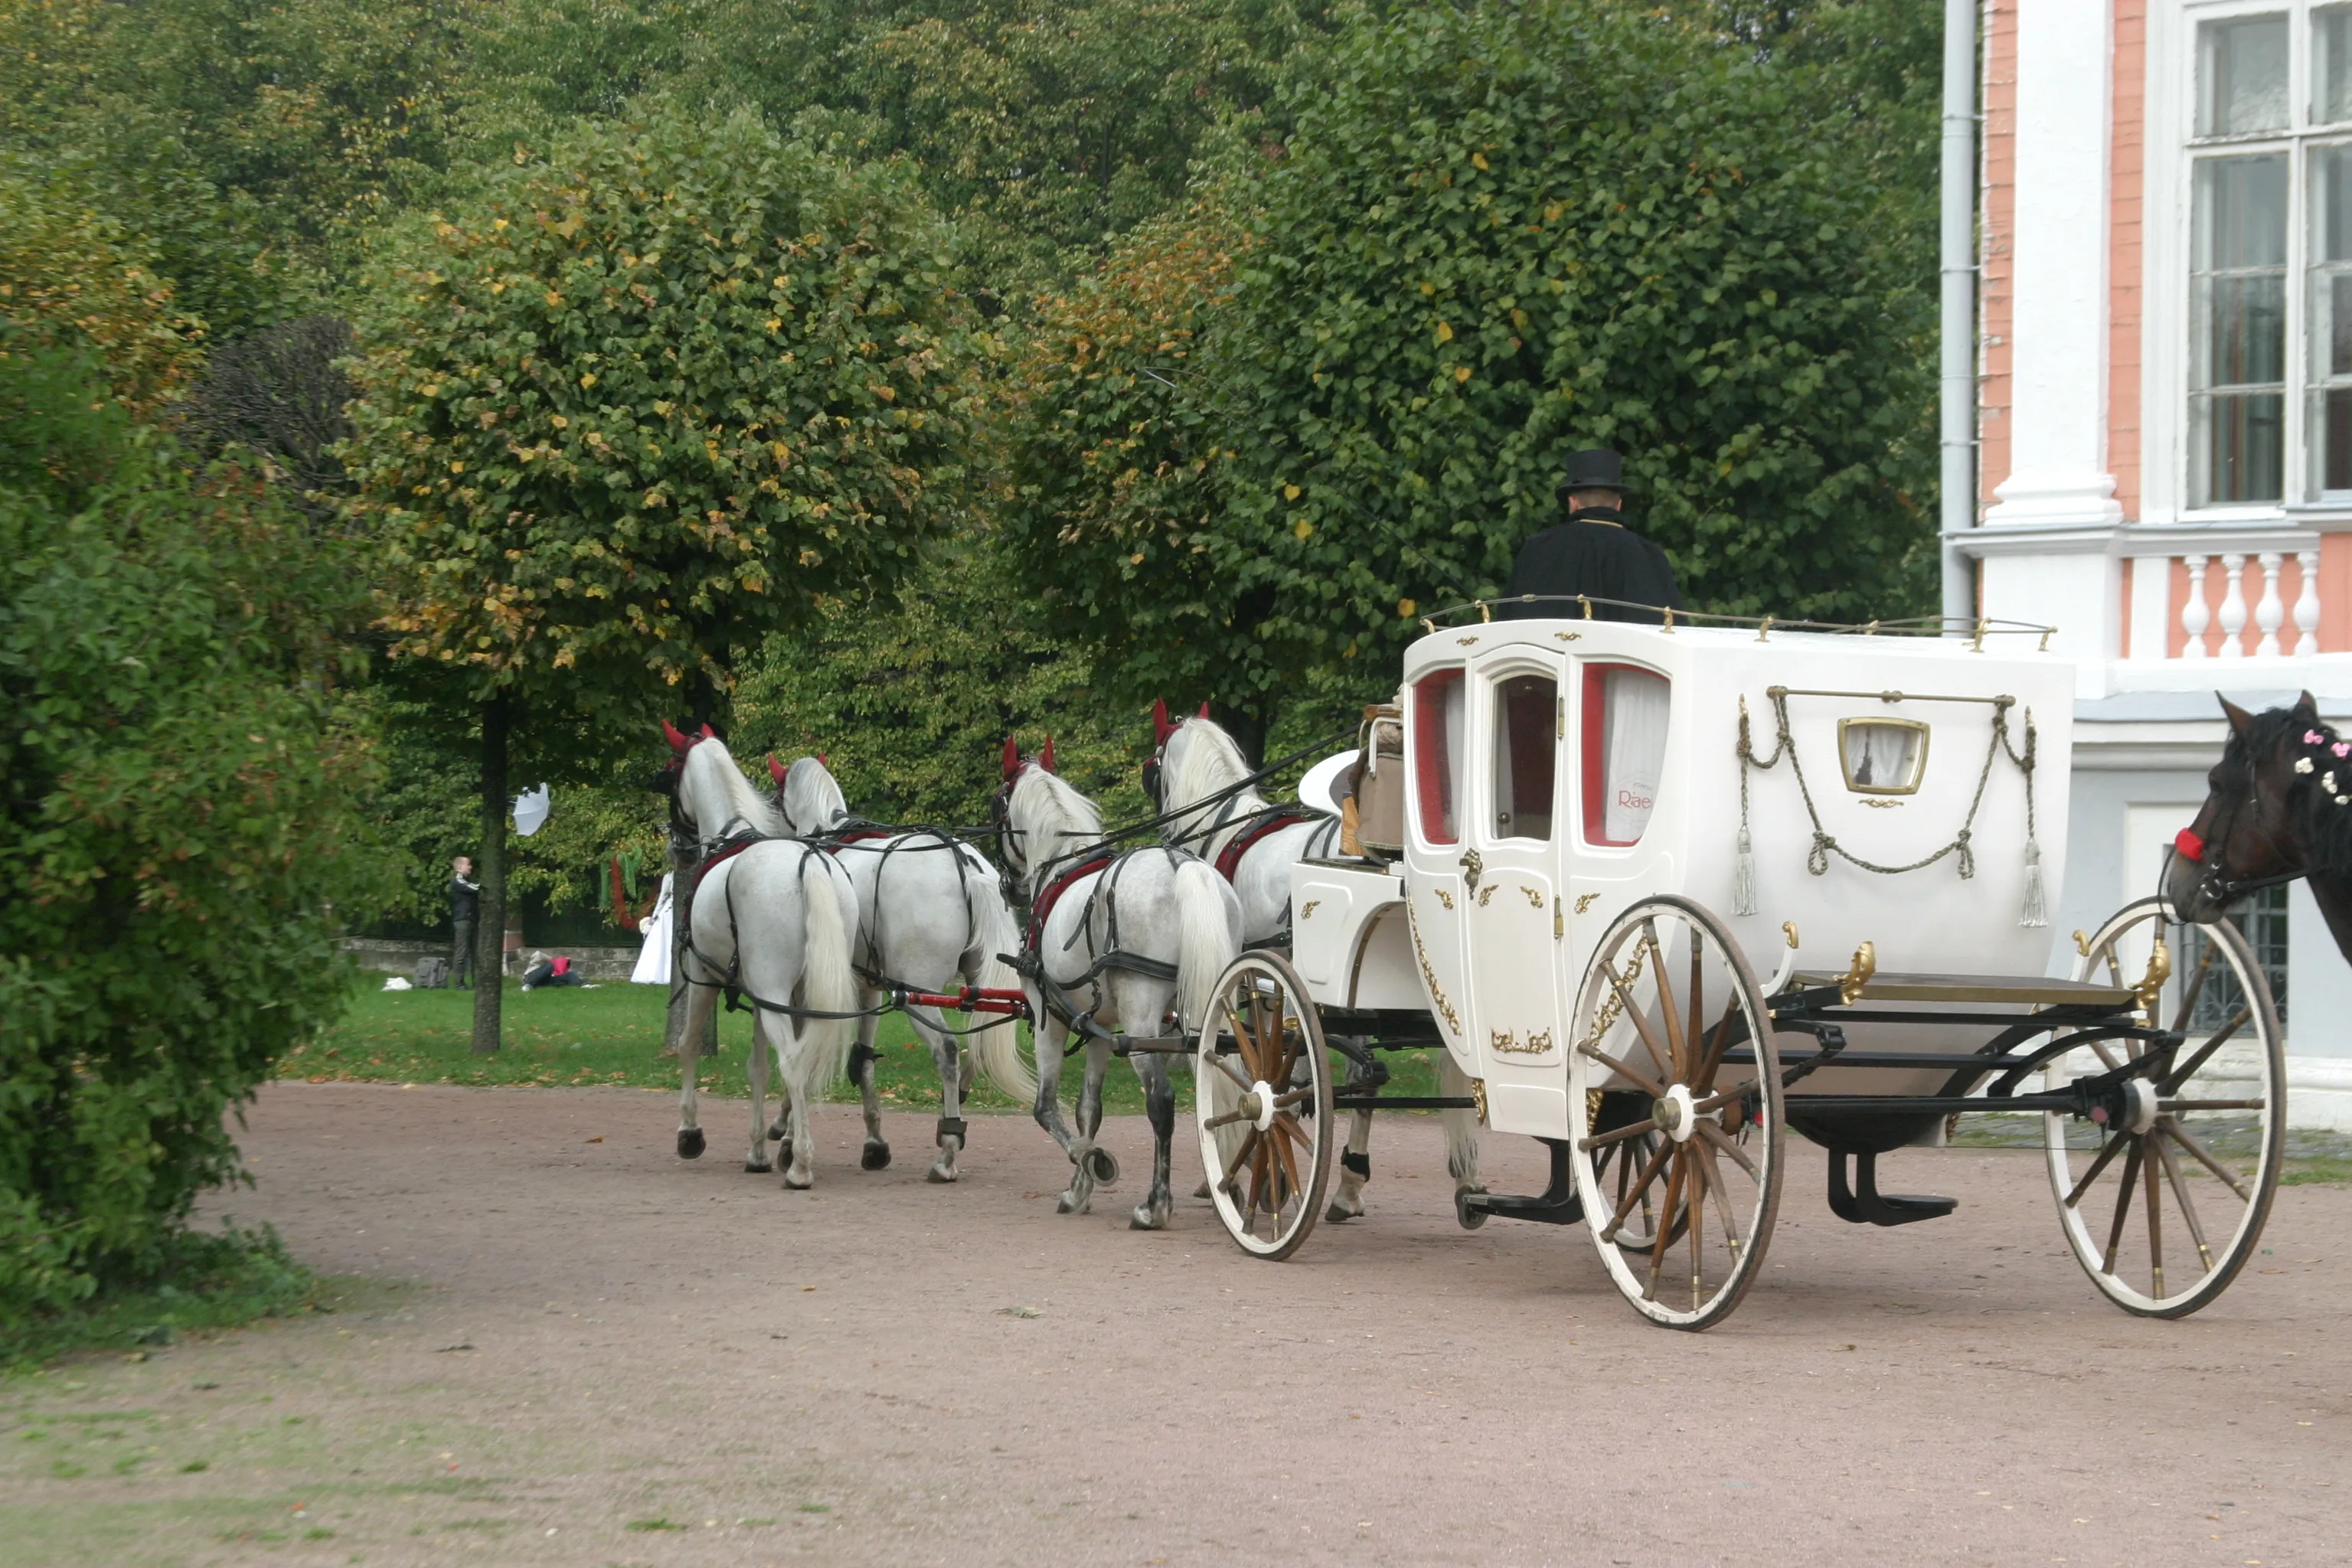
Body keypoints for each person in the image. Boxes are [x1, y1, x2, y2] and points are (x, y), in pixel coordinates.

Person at [1498, 448, 1685, 623]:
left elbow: (1508, 620)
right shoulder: (1650, 555)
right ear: (1619, 504)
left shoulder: (1538, 548)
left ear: (1573, 503)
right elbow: (1674, 627)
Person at [449, 855, 480, 989]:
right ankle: (459, 983)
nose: (471, 867)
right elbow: (475, 888)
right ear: (460, 867)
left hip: (472, 919)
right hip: (462, 920)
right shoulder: (458, 881)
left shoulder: (467, 881)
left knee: (476, 953)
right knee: (461, 953)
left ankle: (477, 983)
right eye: (468, 865)